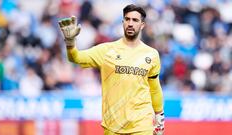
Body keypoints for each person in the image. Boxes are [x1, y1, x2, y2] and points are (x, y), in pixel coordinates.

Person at [59, 4, 164, 135]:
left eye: (135, 20)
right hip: (113, 127)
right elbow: (76, 58)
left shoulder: (151, 54)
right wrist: (70, 43)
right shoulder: (106, 50)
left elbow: (154, 88)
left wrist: (160, 119)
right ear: (122, 22)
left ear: (142, 25)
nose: (130, 23)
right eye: (127, 19)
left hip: (142, 125)